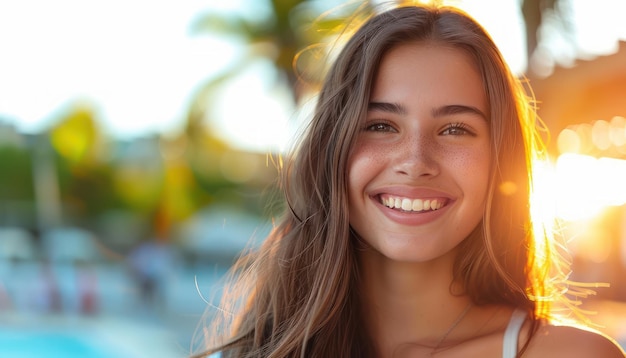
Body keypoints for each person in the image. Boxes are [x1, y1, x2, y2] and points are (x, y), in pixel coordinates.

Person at [192, 3, 626, 357]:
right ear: (330, 150)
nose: (416, 162)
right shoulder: (254, 352)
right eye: (381, 125)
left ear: (501, 163)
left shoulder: (569, 354)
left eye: (455, 129)